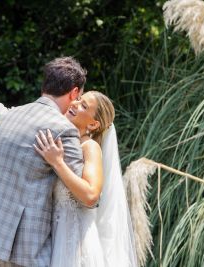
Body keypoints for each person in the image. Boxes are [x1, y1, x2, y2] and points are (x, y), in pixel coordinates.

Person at [0, 57, 87, 266]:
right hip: (25, 248)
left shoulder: (8, 117)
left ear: (45, 85)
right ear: (74, 92)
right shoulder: (62, 128)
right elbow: (80, 195)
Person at [34, 91, 138, 267]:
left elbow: (91, 195)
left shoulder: (90, 147)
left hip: (75, 243)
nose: (75, 104)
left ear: (93, 123)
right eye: (78, 100)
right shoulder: (60, 141)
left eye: (83, 106)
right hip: (52, 237)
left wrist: (57, 163)